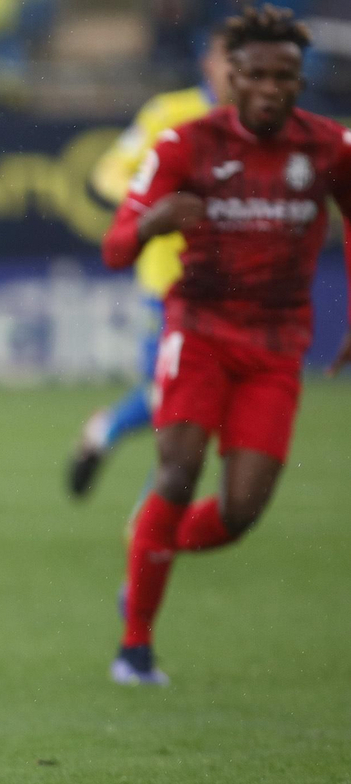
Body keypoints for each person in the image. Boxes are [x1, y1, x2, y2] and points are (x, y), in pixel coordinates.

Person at [100, 5, 351, 685]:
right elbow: (116, 246)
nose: (271, 88)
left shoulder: (329, 146)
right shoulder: (185, 144)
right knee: (177, 475)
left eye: (285, 76)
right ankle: (136, 646)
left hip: (276, 346)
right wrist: (151, 223)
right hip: (199, 331)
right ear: (229, 75)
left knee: (241, 512)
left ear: (300, 80)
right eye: (256, 74)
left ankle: (147, 546)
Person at [68, 28, 231, 499]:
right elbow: (108, 171)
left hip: (235, 288)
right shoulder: (169, 113)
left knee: (192, 406)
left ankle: (106, 431)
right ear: (208, 63)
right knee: (175, 405)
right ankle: (150, 526)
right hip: (169, 283)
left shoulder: (260, 127)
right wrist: (155, 204)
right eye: (229, 60)